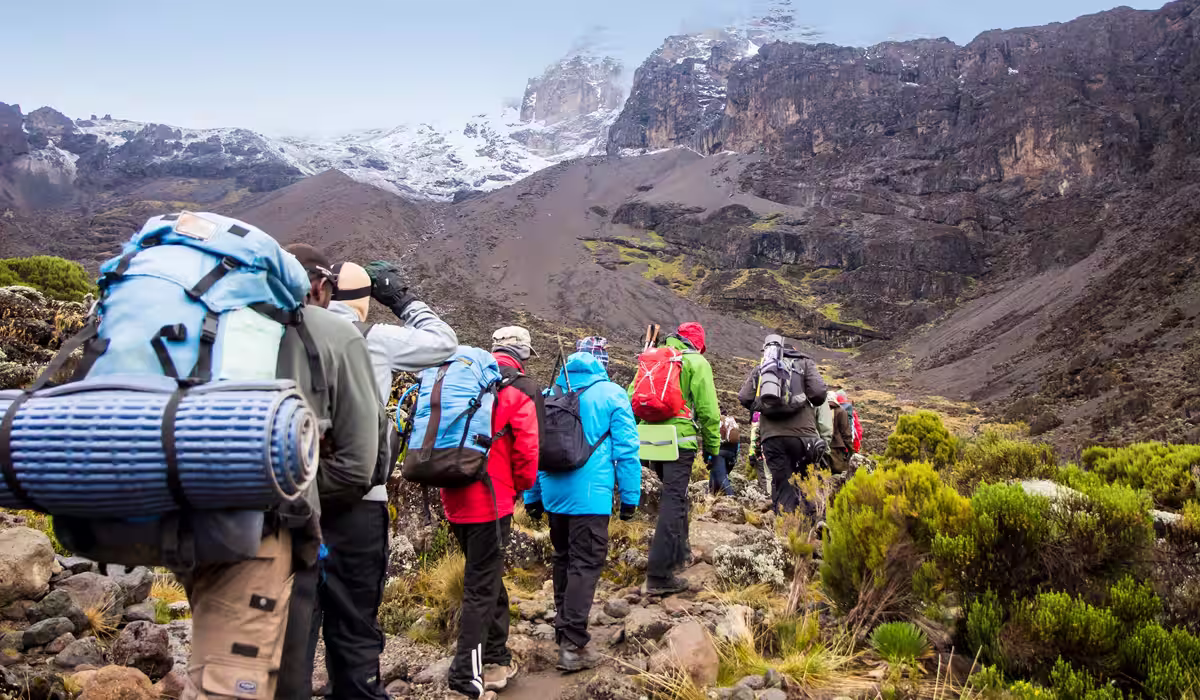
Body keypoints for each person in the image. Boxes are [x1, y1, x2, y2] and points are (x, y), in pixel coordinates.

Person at [298, 260, 455, 699]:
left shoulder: (281, 334)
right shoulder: (373, 339)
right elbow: (445, 343)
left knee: (293, 626)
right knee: (354, 626)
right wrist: (403, 300)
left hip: (290, 501)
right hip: (359, 502)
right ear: (365, 300)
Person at [267, 243, 382, 700]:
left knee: (272, 640)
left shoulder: (228, 333)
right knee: (352, 633)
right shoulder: (340, 336)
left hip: (240, 518)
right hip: (345, 513)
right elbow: (360, 464)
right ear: (320, 286)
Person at [523, 338, 640, 673]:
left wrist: (532, 497)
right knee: (585, 564)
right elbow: (627, 451)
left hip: (553, 494)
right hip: (591, 496)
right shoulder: (612, 394)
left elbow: (532, 448)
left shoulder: (548, 394)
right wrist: (630, 498)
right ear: (601, 362)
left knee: (563, 559)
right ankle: (573, 643)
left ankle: (564, 629)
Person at [441, 327, 541, 698]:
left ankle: (497, 655)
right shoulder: (518, 392)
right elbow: (528, 452)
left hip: (452, 495)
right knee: (480, 588)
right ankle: (465, 675)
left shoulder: (462, 385)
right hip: (491, 500)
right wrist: (521, 490)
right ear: (522, 356)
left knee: (486, 575)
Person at [630, 322, 720, 596]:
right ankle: (659, 575)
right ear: (698, 343)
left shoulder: (653, 358)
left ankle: (680, 553)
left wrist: (631, 436)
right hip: (677, 441)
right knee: (674, 499)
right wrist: (712, 448)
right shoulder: (696, 362)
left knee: (671, 499)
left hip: (645, 440)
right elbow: (708, 411)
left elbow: (631, 397)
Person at [738, 343, 828, 516]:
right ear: (793, 351)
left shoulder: (764, 367)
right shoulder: (805, 363)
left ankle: (785, 530)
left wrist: (762, 406)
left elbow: (744, 396)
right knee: (806, 481)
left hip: (772, 437)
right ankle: (810, 529)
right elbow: (818, 395)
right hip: (803, 436)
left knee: (782, 484)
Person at [709, 416, 739, 496]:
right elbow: (737, 443)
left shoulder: (716, 421)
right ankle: (711, 495)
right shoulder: (732, 422)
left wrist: (709, 458)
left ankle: (730, 497)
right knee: (715, 474)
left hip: (719, 452)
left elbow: (711, 441)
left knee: (721, 477)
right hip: (731, 453)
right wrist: (734, 456)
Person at [830, 393, 857, 478]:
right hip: (836, 448)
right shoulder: (841, 411)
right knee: (839, 475)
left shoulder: (818, 409)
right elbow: (846, 433)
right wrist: (851, 450)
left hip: (819, 447)